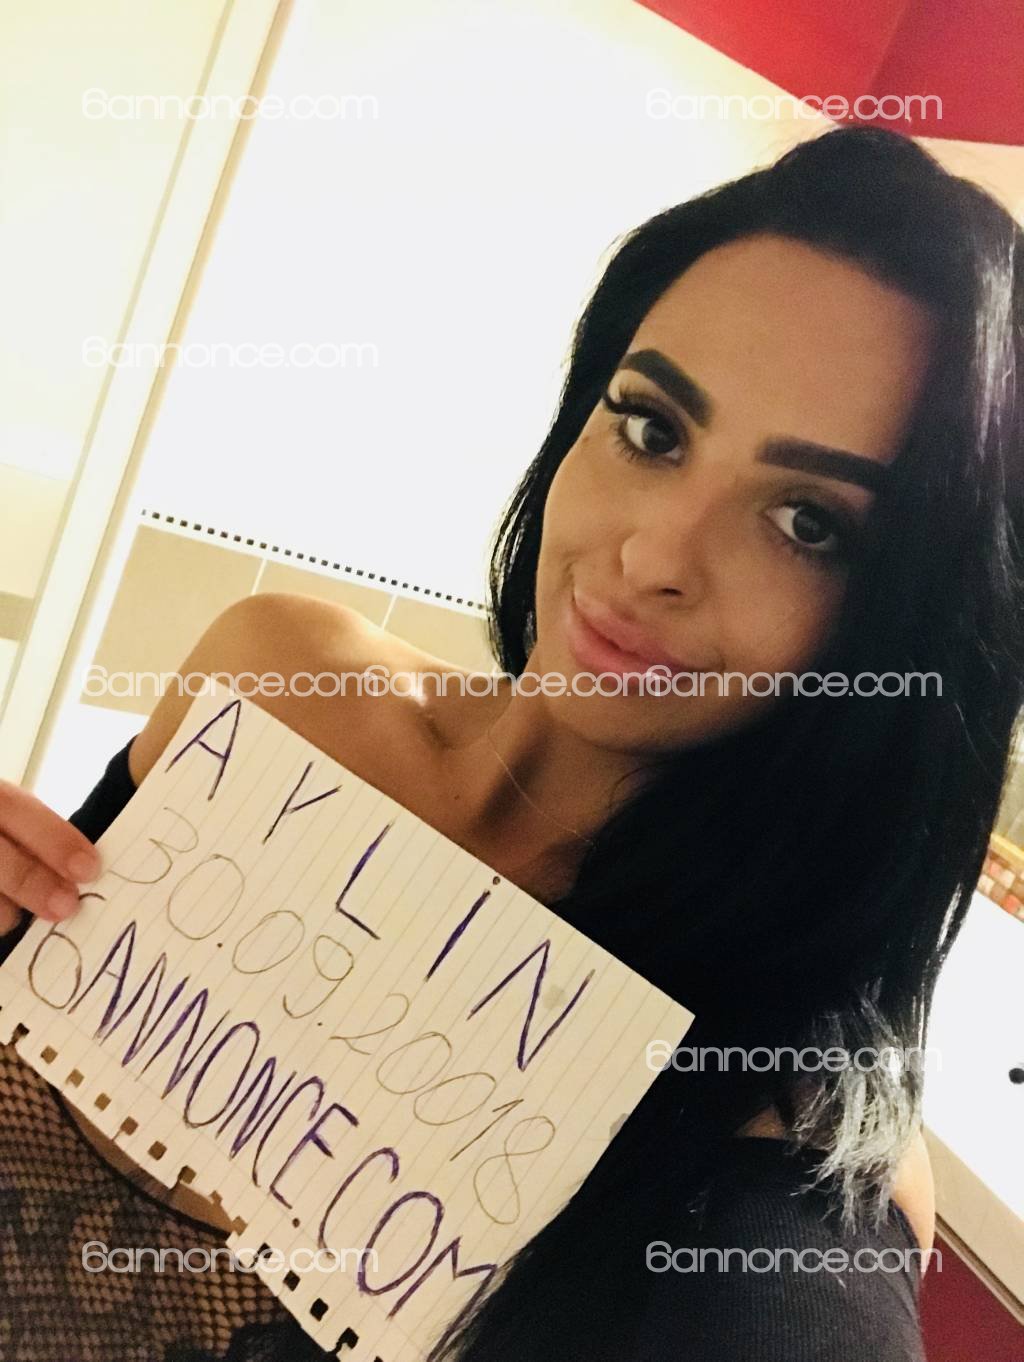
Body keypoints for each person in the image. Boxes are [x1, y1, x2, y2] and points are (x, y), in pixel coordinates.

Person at [1, 124, 1021, 1361]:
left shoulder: (768, 1126)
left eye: (809, 522)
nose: (650, 555)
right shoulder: (276, 685)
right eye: (651, 429)